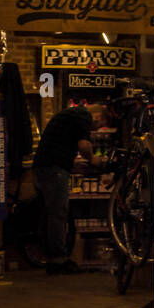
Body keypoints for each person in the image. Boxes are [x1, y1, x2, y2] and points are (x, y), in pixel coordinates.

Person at [32, 103, 104, 274]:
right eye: (98, 126)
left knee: (50, 214)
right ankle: (58, 261)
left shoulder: (71, 115)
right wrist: (94, 159)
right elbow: (84, 146)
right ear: (99, 117)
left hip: (44, 167)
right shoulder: (83, 116)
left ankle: (52, 258)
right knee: (58, 213)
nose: (96, 128)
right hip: (53, 168)